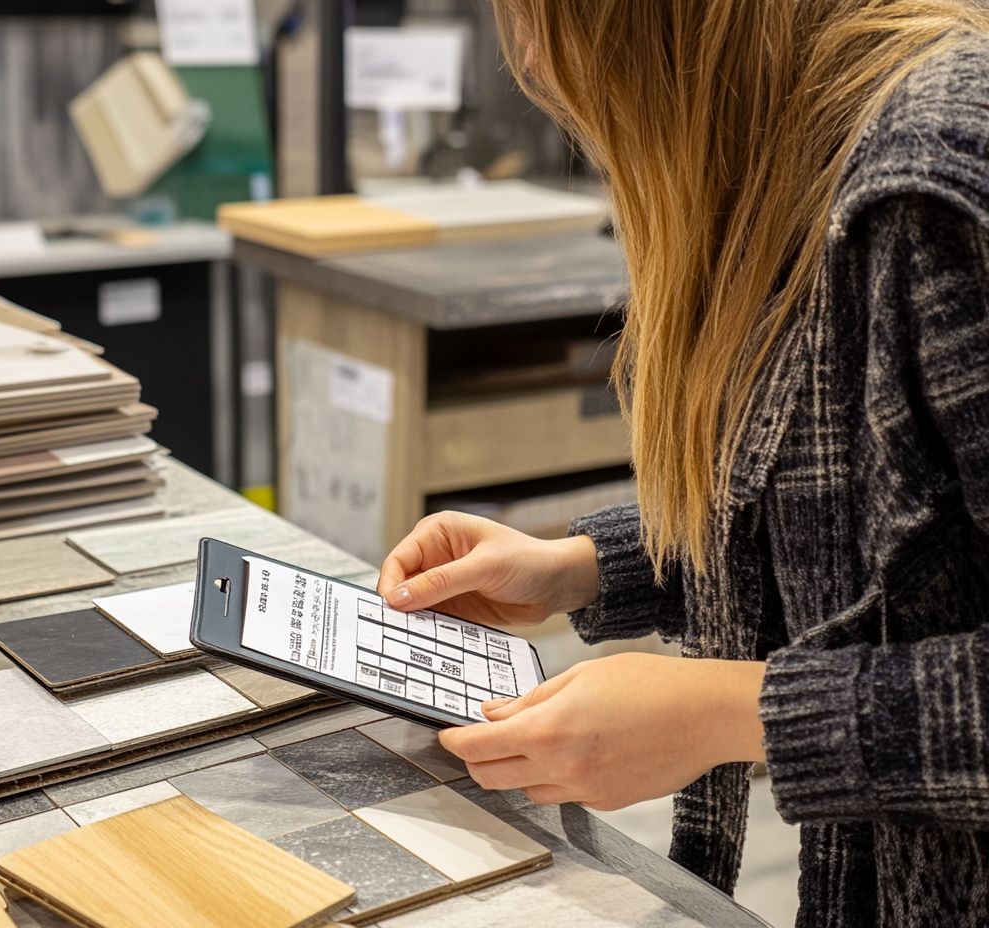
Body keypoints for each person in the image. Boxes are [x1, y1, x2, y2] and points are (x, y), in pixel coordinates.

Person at [376, 2, 989, 925]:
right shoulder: (818, 147)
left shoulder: (937, 165)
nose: (535, 64)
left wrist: (730, 713)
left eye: (548, 21)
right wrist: (578, 569)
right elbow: (876, 539)